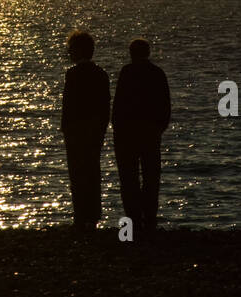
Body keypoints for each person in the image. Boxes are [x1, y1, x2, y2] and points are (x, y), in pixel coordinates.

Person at [111, 38, 171, 235]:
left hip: (127, 133)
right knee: (151, 178)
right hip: (150, 133)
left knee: (129, 180)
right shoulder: (157, 73)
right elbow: (165, 106)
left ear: (131, 53)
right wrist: (158, 128)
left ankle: (132, 222)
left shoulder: (126, 73)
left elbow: (118, 105)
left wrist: (117, 130)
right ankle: (150, 221)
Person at [61, 30, 110, 231]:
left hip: (75, 131)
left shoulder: (72, 75)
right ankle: (93, 215)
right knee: (92, 171)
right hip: (94, 131)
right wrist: (101, 128)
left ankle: (80, 214)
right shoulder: (101, 74)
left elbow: (69, 105)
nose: (69, 52)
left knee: (77, 173)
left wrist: (65, 128)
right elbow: (105, 105)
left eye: (71, 49)